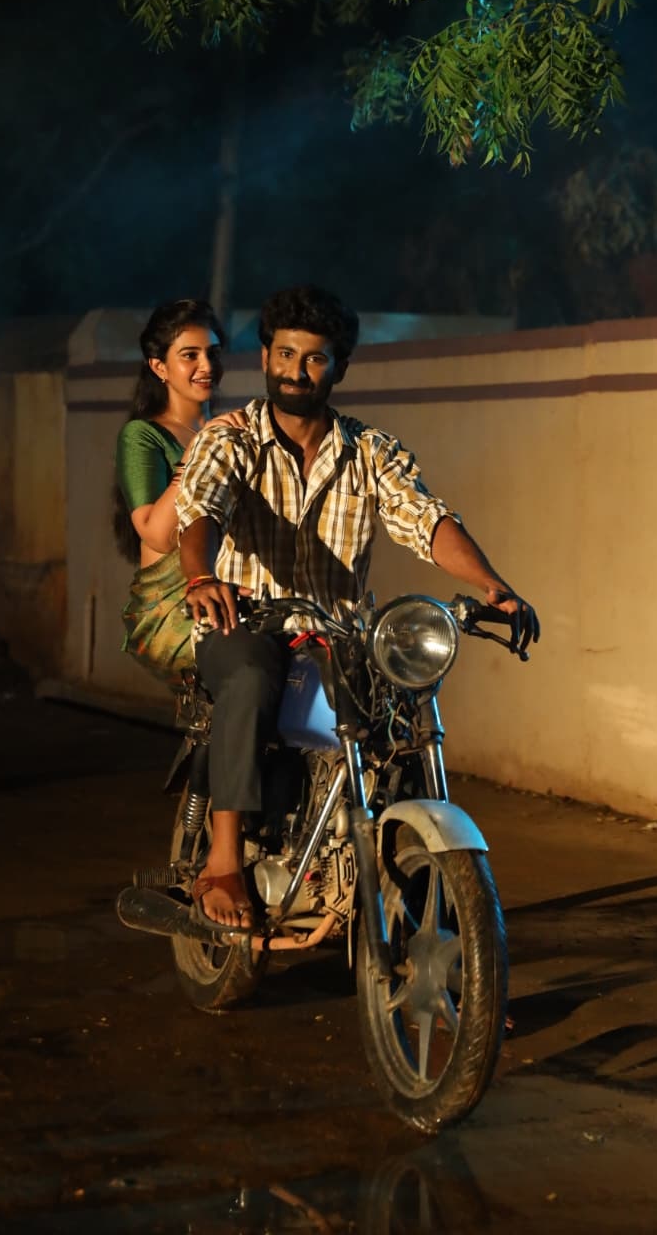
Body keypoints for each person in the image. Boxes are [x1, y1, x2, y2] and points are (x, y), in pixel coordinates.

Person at [176, 285, 540, 928]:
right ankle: (224, 858)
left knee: (403, 709)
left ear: (339, 368)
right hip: (243, 623)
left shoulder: (370, 451)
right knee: (253, 676)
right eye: (284, 354)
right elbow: (202, 508)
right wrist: (203, 577)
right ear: (264, 357)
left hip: (340, 638)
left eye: (314, 358)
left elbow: (425, 519)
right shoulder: (230, 441)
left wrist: (493, 584)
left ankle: (432, 916)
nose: (296, 371)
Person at [112, 298, 243, 687]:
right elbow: (155, 533)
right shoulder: (143, 436)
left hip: (233, 592)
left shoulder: (230, 430)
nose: (207, 366)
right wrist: (200, 450)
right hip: (178, 608)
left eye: (212, 353)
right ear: (159, 367)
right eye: (190, 355)